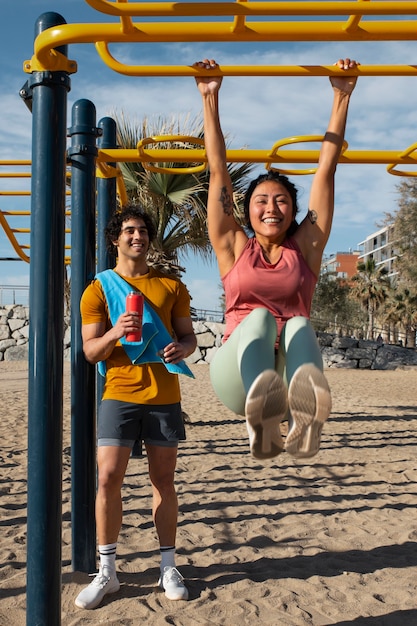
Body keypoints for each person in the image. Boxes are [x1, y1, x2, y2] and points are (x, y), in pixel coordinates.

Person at [194, 57, 359, 460]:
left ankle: (301, 420)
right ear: (246, 210)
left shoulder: (306, 248)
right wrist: (209, 98)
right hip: (236, 374)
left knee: (299, 322)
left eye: (281, 200)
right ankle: (260, 413)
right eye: (261, 200)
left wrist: (341, 95)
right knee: (262, 318)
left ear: (293, 210)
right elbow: (218, 173)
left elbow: (326, 172)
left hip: (287, 376)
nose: (271, 207)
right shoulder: (233, 246)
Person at [75, 204, 197, 609]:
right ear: (115, 238)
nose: (137, 236)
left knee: (164, 481)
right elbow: (91, 351)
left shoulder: (172, 287)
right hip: (120, 394)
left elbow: (188, 338)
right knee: (108, 477)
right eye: (129, 230)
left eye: (143, 230)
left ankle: (168, 567)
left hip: (164, 396)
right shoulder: (97, 289)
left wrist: (180, 347)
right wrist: (114, 332)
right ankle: (107, 572)